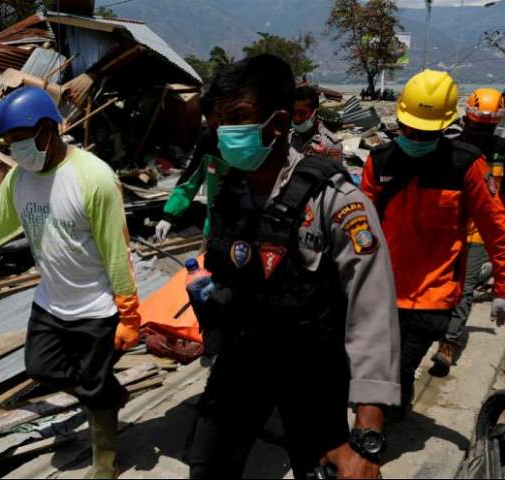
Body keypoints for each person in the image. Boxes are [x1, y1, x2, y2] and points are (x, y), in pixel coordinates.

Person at [187, 54, 400, 479]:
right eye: (220, 119)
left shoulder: (335, 202)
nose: (224, 130)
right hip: (242, 361)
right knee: (206, 467)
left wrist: (368, 434)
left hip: (311, 372)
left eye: (239, 117)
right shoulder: (231, 191)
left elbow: (371, 310)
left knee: (322, 468)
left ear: (279, 124)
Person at [0, 87, 141, 479]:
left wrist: (129, 313)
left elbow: (116, 249)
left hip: (95, 306)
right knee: (41, 367)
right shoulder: (19, 178)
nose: (15, 152)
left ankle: (105, 463)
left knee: (94, 388)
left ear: (46, 131)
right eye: (9, 145)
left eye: (18, 142)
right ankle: (106, 397)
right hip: (51, 302)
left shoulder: (94, 178)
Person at [360, 71, 505, 413]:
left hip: (434, 296)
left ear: (443, 126)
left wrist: (502, 287)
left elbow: (497, 227)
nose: (415, 137)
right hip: (383, 289)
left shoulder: (466, 165)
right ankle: (389, 409)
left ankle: (388, 412)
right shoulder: (380, 162)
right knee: (381, 368)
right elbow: (359, 227)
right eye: (410, 129)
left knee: (401, 366)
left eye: (425, 131)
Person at [431, 88, 505, 376]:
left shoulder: (502, 150)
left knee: (465, 287)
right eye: (476, 127)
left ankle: (447, 345)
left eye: (488, 128)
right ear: (465, 120)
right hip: (449, 229)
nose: (481, 134)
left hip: (480, 231)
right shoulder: (451, 147)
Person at [154, 94, 229, 242]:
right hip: (214, 225)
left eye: (216, 117)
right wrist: (169, 216)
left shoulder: (250, 143)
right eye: (207, 117)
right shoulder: (208, 139)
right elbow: (190, 178)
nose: (211, 122)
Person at [290, 85, 343, 161]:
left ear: (315, 113)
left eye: (302, 113)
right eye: (293, 112)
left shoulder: (331, 145)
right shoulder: (288, 138)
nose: (296, 118)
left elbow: (333, 171)